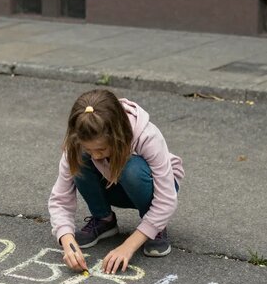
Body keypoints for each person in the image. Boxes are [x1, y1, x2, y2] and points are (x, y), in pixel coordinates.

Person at [48, 89, 185, 274]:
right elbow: (60, 198)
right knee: (78, 157)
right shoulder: (79, 141)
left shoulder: (147, 136)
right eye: (90, 149)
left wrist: (127, 247)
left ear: (118, 135)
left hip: (152, 189)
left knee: (132, 169)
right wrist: (67, 241)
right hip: (112, 184)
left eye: (101, 149)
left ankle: (155, 228)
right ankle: (104, 219)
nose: (96, 156)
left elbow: (166, 199)